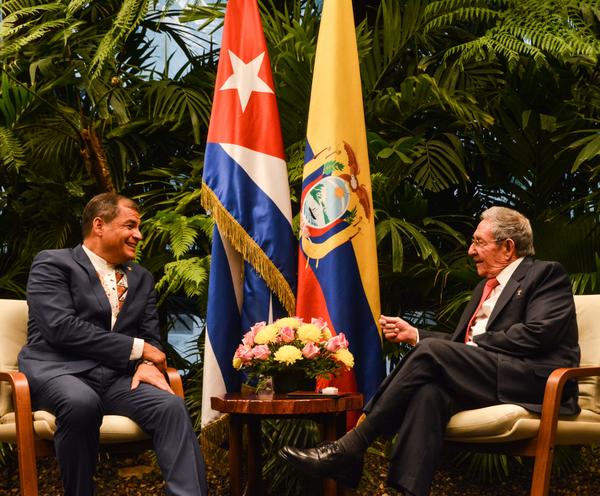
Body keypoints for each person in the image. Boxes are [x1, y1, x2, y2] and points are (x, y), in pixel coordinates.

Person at [279, 206, 580, 496]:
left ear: (508, 247)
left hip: (534, 381)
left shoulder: (545, 274)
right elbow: (464, 341)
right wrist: (417, 335)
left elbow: (539, 333)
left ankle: (351, 446)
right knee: (430, 393)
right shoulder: (484, 288)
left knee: (433, 353)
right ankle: (406, 490)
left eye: (478, 242)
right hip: (489, 374)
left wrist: (470, 342)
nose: (471, 251)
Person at [18, 193, 208, 496]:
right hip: (59, 372)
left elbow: (150, 337)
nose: (139, 235)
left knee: (169, 406)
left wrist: (146, 364)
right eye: (130, 225)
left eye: (139, 228)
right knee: (81, 402)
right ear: (99, 225)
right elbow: (60, 328)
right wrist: (138, 350)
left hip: (116, 379)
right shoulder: (53, 263)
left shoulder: (142, 278)